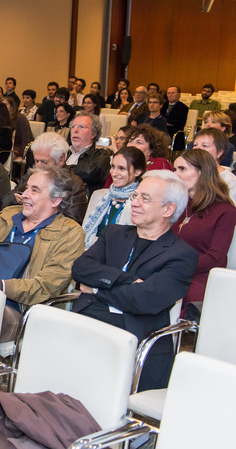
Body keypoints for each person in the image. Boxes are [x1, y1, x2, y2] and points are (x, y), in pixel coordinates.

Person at [72, 170, 197, 391]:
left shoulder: (181, 255)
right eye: (135, 196)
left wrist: (95, 289)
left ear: (168, 209)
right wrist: (126, 279)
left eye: (145, 199)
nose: (135, 204)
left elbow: (144, 300)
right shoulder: (114, 233)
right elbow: (80, 268)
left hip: (133, 334)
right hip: (86, 319)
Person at [0, 166, 85, 339]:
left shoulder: (70, 233)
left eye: (35, 190)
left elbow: (47, 285)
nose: (24, 194)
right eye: (26, 188)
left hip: (19, 310)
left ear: (56, 200)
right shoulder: (8, 215)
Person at [173, 149, 236, 309]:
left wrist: (177, 264)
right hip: (171, 270)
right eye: (175, 169)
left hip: (200, 276)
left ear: (202, 172)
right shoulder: (178, 203)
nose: (176, 175)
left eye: (182, 169)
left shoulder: (225, 210)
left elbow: (215, 258)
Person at [3, 132, 89, 225]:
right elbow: (4, 203)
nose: (38, 167)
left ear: (61, 159)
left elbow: (71, 223)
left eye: (44, 162)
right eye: (36, 161)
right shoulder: (32, 175)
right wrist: (16, 200)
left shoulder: (73, 184)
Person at [82, 146, 146, 248]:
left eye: (122, 168)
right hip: (89, 254)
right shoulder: (98, 195)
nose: (114, 173)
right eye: (113, 166)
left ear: (137, 171)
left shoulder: (140, 202)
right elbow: (83, 233)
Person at [66, 112, 111, 196]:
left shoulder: (101, 155)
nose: (75, 130)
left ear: (93, 134)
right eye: (73, 127)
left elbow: (90, 172)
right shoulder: (63, 152)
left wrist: (61, 169)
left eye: (82, 127)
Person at [192, 128, 236, 202]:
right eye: (195, 145)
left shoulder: (229, 181)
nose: (197, 149)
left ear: (219, 153)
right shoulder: (190, 173)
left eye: (205, 146)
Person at [3, 95, 33, 161]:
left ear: (12, 106)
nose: (3, 107)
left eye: (5, 105)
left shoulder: (20, 118)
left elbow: (26, 138)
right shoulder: (2, 119)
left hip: (19, 147)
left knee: (5, 158)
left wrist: (22, 154)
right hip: (7, 148)